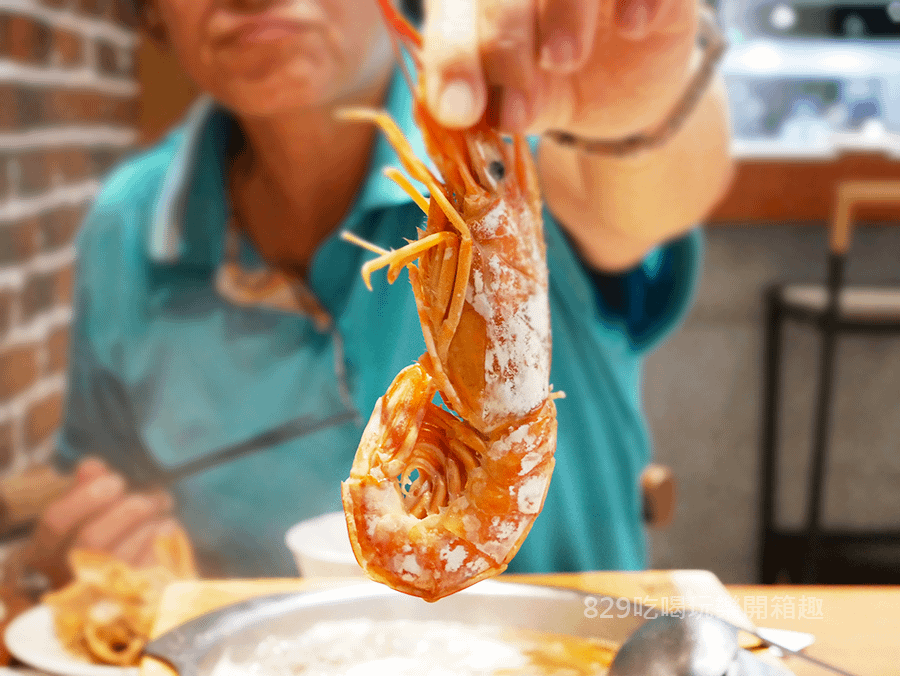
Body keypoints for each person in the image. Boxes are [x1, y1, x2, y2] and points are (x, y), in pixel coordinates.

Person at [19, 0, 733, 587]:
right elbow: (105, 502)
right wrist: (88, 554)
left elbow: (644, 195)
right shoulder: (124, 223)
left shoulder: (537, 126)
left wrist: (645, 103)